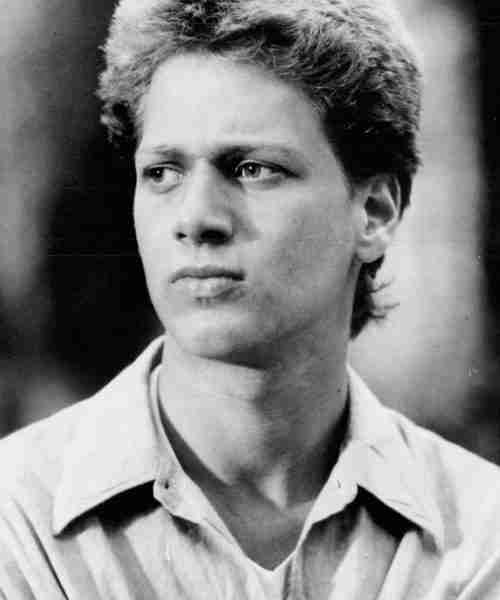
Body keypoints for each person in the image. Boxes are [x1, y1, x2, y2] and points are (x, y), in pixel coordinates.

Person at [1, 0, 500, 598]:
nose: (196, 218)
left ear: (373, 212)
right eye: (163, 172)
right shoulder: (19, 516)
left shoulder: (479, 532)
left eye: (252, 169)